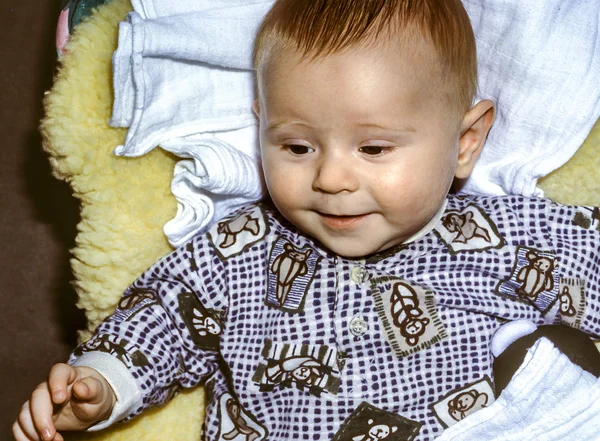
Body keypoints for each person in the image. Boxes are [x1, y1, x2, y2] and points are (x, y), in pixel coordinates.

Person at [13, 0, 600, 440]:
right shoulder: (238, 250)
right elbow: (161, 318)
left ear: (465, 142)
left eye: (373, 149)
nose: (331, 179)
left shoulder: (501, 238)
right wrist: (99, 384)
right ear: (260, 124)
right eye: (296, 147)